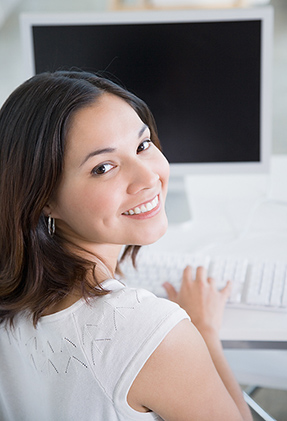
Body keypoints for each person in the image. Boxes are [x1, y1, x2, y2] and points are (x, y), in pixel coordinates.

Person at [0, 70, 252, 421]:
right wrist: (204, 333)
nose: (148, 176)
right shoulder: (149, 333)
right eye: (103, 167)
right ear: (44, 199)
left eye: (142, 145)